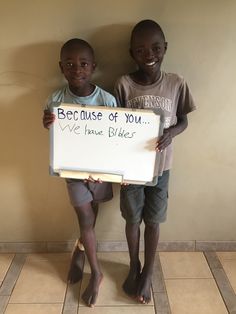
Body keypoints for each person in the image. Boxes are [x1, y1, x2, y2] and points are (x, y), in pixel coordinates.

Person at [114, 19, 196, 304]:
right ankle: (134, 264)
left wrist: (171, 132)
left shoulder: (176, 83)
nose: (149, 55)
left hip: (162, 169)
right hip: (131, 171)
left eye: (155, 48)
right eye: (140, 50)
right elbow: (113, 128)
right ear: (131, 53)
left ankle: (148, 271)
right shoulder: (123, 84)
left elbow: (184, 119)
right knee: (132, 219)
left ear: (165, 49)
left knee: (154, 220)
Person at [43, 38, 117, 307]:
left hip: (100, 172)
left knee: (93, 211)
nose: (77, 69)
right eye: (70, 64)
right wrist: (46, 121)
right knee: (85, 216)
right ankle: (96, 273)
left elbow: (117, 138)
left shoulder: (107, 100)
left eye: (83, 64)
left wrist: (107, 168)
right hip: (73, 172)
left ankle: (80, 250)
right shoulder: (56, 98)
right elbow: (51, 127)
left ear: (93, 66)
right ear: (61, 67)